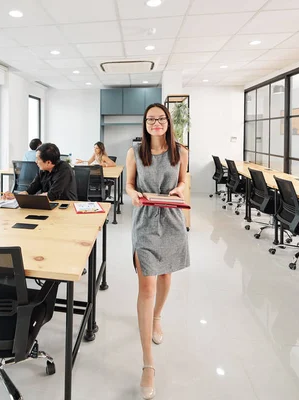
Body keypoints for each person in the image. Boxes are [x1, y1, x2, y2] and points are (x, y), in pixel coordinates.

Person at [125, 103, 189, 399]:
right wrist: (134, 194)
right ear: (145, 124)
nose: (156, 123)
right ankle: (148, 364)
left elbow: (183, 182)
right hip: (145, 223)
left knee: (164, 277)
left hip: (172, 221)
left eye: (160, 118)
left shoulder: (181, 152)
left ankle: (157, 317)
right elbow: (128, 184)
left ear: (167, 121)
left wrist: (181, 190)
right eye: (150, 119)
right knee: (147, 285)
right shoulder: (135, 152)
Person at [4, 142, 77, 201]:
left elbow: (52, 196)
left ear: (48, 162)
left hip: (65, 207)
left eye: (38, 159)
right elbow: (30, 190)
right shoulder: (43, 170)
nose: (36, 162)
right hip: (48, 205)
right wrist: (16, 196)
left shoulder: (64, 170)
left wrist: (32, 197)